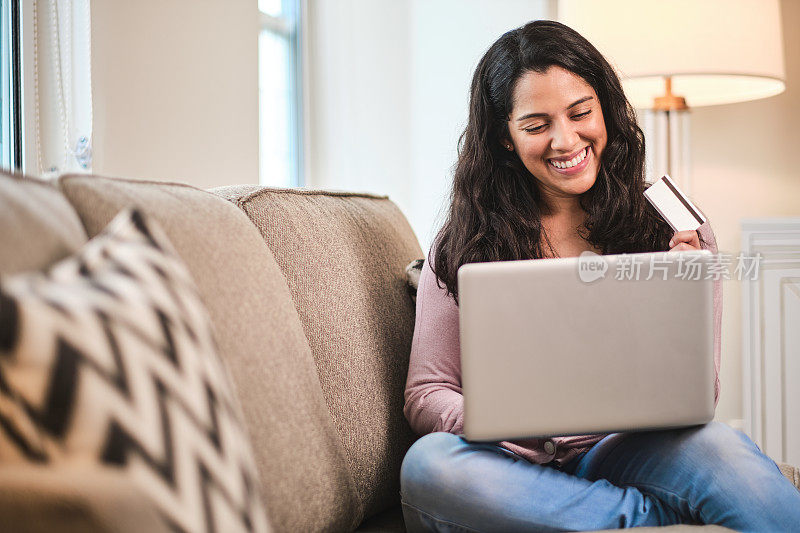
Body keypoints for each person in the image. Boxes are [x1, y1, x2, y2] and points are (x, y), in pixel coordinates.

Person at [400, 20, 800, 532]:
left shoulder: (671, 223)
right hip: (509, 463)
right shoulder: (466, 240)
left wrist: (685, 292)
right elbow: (427, 391)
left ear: (605, 108)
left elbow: (702, 393)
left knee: (721, 445)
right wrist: (492, 426)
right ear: (504, 137)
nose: (565, 140)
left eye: (580, 112)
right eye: (536, 124)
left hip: (628, 450)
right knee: (428, 465)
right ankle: (644, 519)